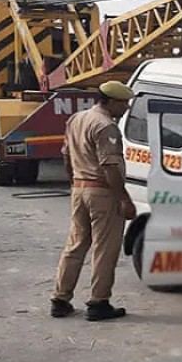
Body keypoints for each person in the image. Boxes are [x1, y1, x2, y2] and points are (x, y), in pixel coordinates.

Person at [50, 81, 136, 321]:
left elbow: (66, 155)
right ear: (108, 101)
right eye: (123, 102)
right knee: (105, 248)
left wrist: (74, 182)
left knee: (75, 245)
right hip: (102, 193)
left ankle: (60, 298)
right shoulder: (106, 126)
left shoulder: (77, 119)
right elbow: (110, 167)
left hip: (79, 190)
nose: (126, 107)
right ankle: (99, 302)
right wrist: (124, 199)